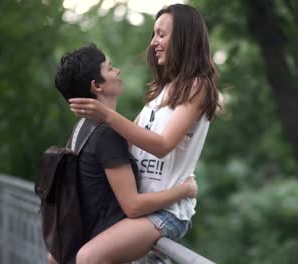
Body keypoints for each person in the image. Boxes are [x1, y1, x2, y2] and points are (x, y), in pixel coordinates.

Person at [68, 3, 219, 263]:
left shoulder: (198, 86)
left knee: (88, 258)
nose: (153, 43)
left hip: (165, 212)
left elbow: (162, 145)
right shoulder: (160, 91)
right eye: (153, 35)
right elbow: (129, 140)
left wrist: (106, 115)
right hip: (138, 207)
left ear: (183, 38)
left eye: (161, 34)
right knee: (66, 249)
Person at [51, 43, 197, 264]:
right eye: (110, 68)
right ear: (97, 85)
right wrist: (184, 190)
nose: (117, 71)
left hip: (77, 239)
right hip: (96, 245)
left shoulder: (82, 127)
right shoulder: (107, 135)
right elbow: (133, 205)